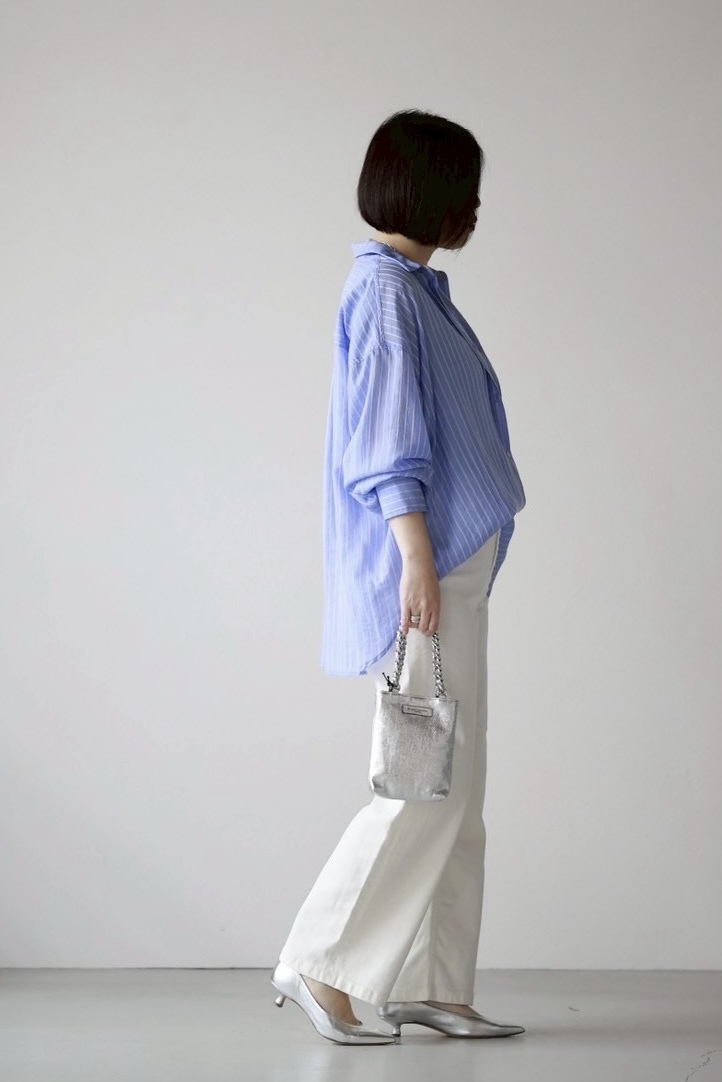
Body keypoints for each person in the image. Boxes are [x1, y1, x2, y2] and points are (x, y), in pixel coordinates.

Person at [271, 109, 527, 1045]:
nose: (477, 208)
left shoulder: (416, 289)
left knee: (458, 791)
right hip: (429, 573)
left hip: (454, 571)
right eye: (467, 190)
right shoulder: (384, 292)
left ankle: (432, 983)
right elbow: (384, 444)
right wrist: (415, 557)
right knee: (424, 783)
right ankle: (319, 962)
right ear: (432, 193)